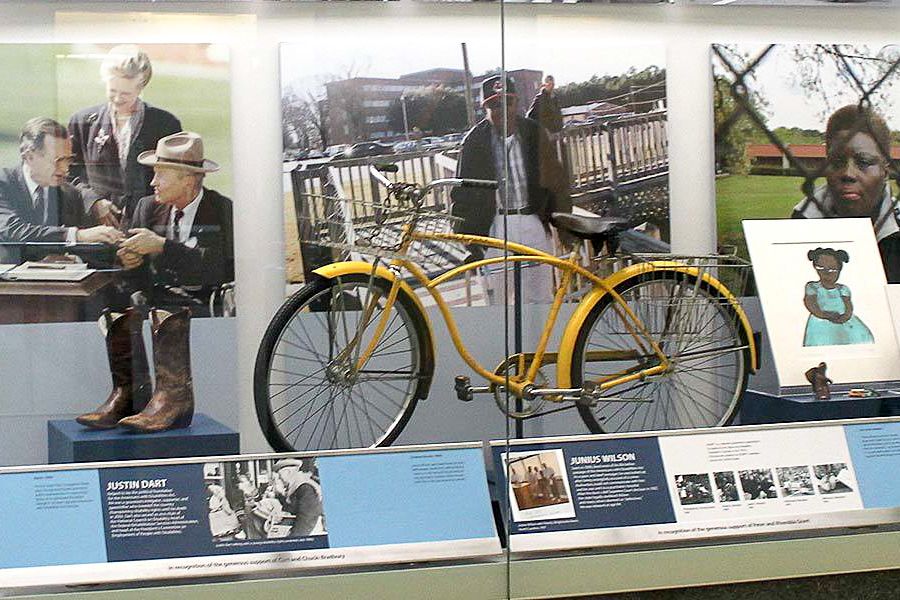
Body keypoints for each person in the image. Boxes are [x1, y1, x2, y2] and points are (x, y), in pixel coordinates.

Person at [451, 75, 571, 304]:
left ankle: (540, 341)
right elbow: (461, 193)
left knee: (540, 299)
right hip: (495, 226)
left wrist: (565, 226)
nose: (501, 109)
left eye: (507, 102)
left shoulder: (534, 133)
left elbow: (557, 182)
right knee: (497, 302)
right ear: (485, 108)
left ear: (516, 103)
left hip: (532, 222)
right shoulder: (474, 141)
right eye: (494, 104)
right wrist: (468, 237)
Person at [116, 131, 234, 317]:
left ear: (187, 180)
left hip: (205, 313)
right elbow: (129, 272)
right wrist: (128, 261)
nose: (153, 182)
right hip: (155, 312)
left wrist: (162, 246)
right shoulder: (147, 207)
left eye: (160, 175)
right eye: (154, 174)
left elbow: (215, 268)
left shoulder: (221, 209)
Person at [68, 45, 182, 228]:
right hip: (96, 229)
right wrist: (93, 202)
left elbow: (175, 178)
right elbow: (68, 174)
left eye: (126, 93)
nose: (118, 99)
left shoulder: (165, 124)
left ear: (141, 87)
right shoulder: (82, 122)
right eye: (112, 91)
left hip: (149, 229)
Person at [792, 104, 900, 282]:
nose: (848, 173)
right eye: (837, 161)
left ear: (885, 169)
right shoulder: (800, 223)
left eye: (863, 162)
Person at [0, 117, 123, 259]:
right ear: (29, 156)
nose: (65, 169)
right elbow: (12, 231)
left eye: (68, 160)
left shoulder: (69, 193)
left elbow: (87, 253)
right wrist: (75, 235)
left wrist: (121, 256)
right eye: (57, 160)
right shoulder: (4, 183)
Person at [802, 247, 874, 347]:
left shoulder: (842, 289)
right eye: (821, 268)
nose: (827, 273)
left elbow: (848, 306)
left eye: (832, 269)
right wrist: (824, 314)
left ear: (839, 270)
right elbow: (811, 303)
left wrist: (845, 316)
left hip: (843, 321)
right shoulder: (813, 287)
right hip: (821, 322)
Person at [274, 458, 324, 537]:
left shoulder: (305, 488)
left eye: (280, 476)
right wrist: (279, 496)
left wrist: (294, 539)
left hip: (310, 534)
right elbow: (292, 506)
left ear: (288, 473)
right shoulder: (297, 486)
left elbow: (307, 519)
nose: (279, 479)